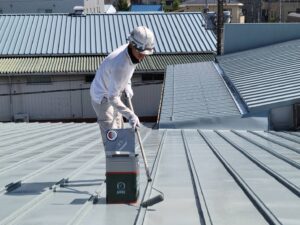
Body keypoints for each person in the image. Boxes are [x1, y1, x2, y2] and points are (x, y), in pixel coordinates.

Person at [90, 26, 155, 145]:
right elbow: (112, 98)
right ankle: (114, 160)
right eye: (140, 53)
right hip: (102, 97)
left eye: (145, 53)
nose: (142, 57)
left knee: (119, 128)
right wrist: (131, 115)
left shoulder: (132, 52)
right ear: (132, 45)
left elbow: (127, 73)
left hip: (113, 91)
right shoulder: (120, 64)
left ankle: (122, 159)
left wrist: (127, 84)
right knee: (112, 135)